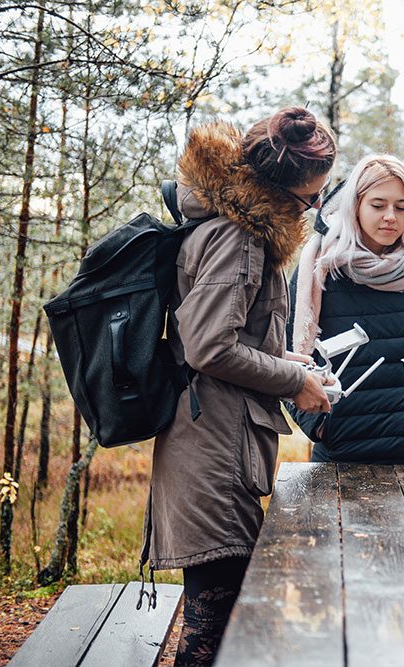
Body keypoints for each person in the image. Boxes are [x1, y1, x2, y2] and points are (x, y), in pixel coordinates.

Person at [143, 107, 337, 666]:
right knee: (214, 637)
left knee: (218, 628)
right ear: (279, 190)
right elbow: (207, 347)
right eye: (310, 199)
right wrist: (293, 379)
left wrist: (286, 359)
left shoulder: (235, 229)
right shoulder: (240, 238)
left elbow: (228, 336)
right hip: (214, 456)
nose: (314, 209)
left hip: (216, 444)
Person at [286, 154, 404, 466]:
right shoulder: (319, 267)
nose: (390, 216)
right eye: (378, 205)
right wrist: (320, 425)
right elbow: (284, 355)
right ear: (356, 206)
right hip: (340, 451)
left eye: (401, 207)